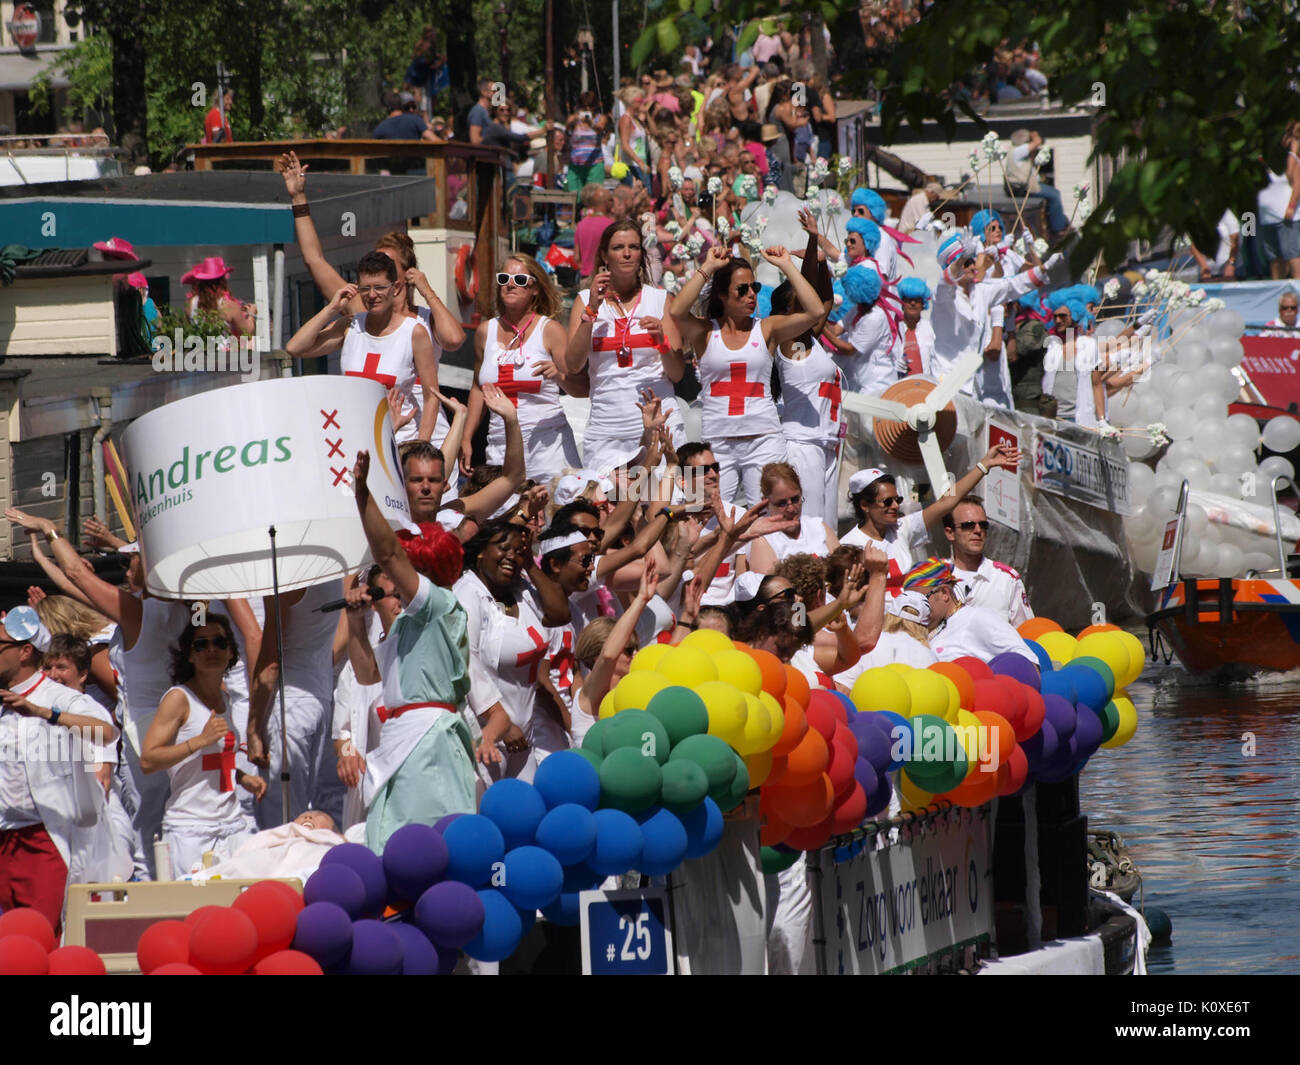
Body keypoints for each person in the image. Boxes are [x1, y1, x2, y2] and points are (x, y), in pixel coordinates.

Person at [278, 154, 465, 440]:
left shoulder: (423, 321)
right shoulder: (359, 309)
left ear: (400, 276)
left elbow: (454, 340)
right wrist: (298, 197)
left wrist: (427, 291)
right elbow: (314, 260)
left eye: (387, 267)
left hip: (422, 426)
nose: (373, 290)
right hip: (366, 427)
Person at [349, 449, 480, 851]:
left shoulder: (437, 604)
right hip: (401, 737)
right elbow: (367, 674)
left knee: (424, 844)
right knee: (390, 840)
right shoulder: (406, 621)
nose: (389, 573)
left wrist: (361, 495)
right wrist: (356, 618)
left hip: (428, 743)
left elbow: (387, 552)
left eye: (400, 570)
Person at [670, 245, 824, 504]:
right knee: (705, 513)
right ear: (722, 296)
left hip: (764, 439)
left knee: (770, 515)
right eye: (742, 290)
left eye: (755, 288)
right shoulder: (705, 332)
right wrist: (707, 267)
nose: (751, 294)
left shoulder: (766, 328)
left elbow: (815, 312)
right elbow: (676, 312)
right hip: (717, 443)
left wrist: (786, 265)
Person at [0, 607, 115, 928]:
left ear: (24, 651)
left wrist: (42, 712)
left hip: (48, 840)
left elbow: (104, 732)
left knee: (43, 938)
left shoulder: (59, 698)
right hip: (5, 840)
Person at [141, 616, 264, 878]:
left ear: (231, 651)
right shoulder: (179, 699)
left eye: (219, 643)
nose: (211, 650)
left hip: (232, 824)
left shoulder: (226, 698)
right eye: (201, 645)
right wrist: (199, 740)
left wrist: (243, 778)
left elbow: (213, 758)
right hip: (190, 828)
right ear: (190, 655)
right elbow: (148, 761)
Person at [563, 220, 687, 474]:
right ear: (604, 256)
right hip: (607, 426)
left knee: (677, 503)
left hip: (660, 420)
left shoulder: (660, 299)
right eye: (618, 247)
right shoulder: (585, 301)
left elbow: (677, 374)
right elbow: (573, 365)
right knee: (607, 507)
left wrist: (662, 341)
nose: (627, 253)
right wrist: (592, 311)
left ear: (642, 253)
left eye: (633, 247)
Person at [286, 251, 441, 444]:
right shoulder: (350, 326)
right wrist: (331, 309)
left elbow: (432, 397)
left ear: (395, 288)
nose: (372, 295)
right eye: (365, 288)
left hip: (399, 441)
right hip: (354, 438)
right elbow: (295, 347)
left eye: (380, 287)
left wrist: (420, 447)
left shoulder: (414, 332)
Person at [455, 520, 567, 781]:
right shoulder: (467, 594)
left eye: (518, 551)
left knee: (524, 818)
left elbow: (560, 614)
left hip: (525, 736)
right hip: (485, 736)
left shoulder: (522, 590)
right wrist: (501, 724)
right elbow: (464, 663)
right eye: (503, 548)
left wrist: (529, 565)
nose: (511, 557)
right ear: (481, 551)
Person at [840, 446, 1021, 593]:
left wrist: (984, 466)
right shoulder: (848, 545)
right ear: (865, 505)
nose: (895, 506)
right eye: (887, 502)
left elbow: (946, 502)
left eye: (898, 500)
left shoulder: (901, 529)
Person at [466, 254, 582, 483]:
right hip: (501, 445)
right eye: (504, 278)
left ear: (535, 288)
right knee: (502, 515)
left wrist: (558, 376)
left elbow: (581, 387)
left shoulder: (550, 331)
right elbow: (478, 389)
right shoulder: (484, 332)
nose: (510, 284)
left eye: (519, 279)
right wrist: (466, 437)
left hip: (548, 446)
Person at [932, 233, 1059, 405]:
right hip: (945, 382)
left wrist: (1042, 269)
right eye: (967, 263)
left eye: (972, 261)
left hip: (972, 385)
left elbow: (1011, 286)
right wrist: (960, 258)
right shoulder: (943, 297)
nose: (972, 267)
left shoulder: (981, 292)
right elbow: (945, 282)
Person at [905, 558, 1038, 666]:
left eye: (921, 600)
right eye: (910, 601)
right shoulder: (921, 629)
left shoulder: (976, 618)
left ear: (944, 593)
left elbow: (1027, 660)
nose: (915, 608)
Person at [942, 497, 1033, 626]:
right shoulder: (933, 577)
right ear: (950, 533)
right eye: (968, 525)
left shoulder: (1006, 579)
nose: (978, 531)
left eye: (983, 525)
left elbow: (1027, 632)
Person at [825, 264, 902, 397]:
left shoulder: (875, 317)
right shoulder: (857, 309)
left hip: (878, 385)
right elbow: (836, 330)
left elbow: (849, 349)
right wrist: (819, 314)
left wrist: (821, 329)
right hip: (862, 383)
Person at [747, 463, 840, 573]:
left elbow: (841, 568)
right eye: (782, 503)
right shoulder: (762, 540)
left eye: (795, 499)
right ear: (765, 503)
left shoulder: (819, 527)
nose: (791, 509)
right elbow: (772, 588)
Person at [1003, 130, 1070, 238]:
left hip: (1023, 186)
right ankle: (1058, 227)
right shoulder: (1019, 150)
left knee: (1053, 192)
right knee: (1054, 195)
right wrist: (1034, 134)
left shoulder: (1015, 152)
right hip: (1023, 188)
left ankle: (1055, 220)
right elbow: (1037, 142)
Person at [182, 257, 255, 338]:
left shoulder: (190, 303)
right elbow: (246, 333)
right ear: (222, 282)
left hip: (201, 349)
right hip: (223, 350)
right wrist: (251, 313)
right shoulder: (229, 306)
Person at [893, 277, 936, 376]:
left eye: (917, 300)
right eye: (908, 300)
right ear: (902, 303)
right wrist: (892, 365)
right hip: (898, 386)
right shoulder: (892, 328)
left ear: (923, 303)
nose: (913, 303)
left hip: (925, 386)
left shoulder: (931, 328)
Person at [373, 91, 440, 142]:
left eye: (413, 106)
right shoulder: (416, 121)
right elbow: (435, 141)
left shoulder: (379, 128)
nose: (411, 110)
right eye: (407, 107)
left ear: (386, 109)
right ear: (401, 106)